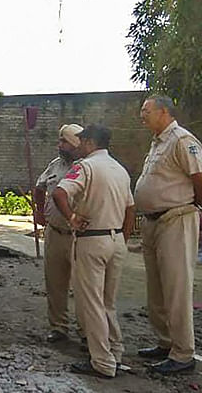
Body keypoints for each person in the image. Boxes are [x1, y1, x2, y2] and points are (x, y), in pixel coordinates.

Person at [134, 95, 202, 374]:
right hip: (153, 222)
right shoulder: (158, 142)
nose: (141, 115)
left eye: (146, 110)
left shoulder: (182, 140)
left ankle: (183, 354)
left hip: (175, 219)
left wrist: (193, 205)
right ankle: (166, 342)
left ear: (164, 112)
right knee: (156, 288)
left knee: (176, 288)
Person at [53, 124, 136, 379]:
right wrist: (122, 234)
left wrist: (72, 218)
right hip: (116, 239)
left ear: (89, 143)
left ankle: (101, 361)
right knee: (108, 302)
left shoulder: (86, 167)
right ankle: (115, 352)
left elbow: (59, 193)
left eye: (81, 142)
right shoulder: (119, 169)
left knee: (91, 303)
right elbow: (130, 208)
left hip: (92, 240)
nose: (78, 146)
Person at [33, 123, 83, 344]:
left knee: (84, 286)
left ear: (76, 144)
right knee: (55, 283)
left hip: (79, 237)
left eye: (64, 141)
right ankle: (59, 327)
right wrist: (39, 212)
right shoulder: (55, 165)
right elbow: (39, 187)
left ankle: (86, 330)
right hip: (54, 232)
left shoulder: (86, 167)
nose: (59, 145)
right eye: (59, 140)